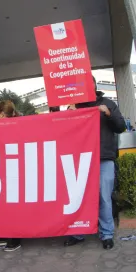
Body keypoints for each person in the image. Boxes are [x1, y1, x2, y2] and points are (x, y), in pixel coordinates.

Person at [64, 76, 126, 250]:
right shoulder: (74, 106)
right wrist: (67, 114)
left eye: (87, 84)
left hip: (103, 158)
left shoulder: (107, 103)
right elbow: (62, 132)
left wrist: (108, 113)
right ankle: (78, 232)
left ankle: (106, 234)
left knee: (104, 198)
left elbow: (121, 127)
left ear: (94, 85)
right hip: (79, 159)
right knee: (78, 197)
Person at [0, 100, 21, 252]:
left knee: (12, 206)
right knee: (0, 205)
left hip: (13, 171)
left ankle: (15, 238)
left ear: (0, 113)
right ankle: (1, 234)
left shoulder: (19, 125)